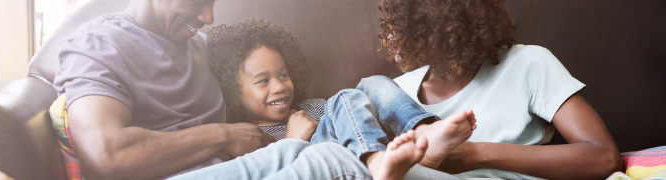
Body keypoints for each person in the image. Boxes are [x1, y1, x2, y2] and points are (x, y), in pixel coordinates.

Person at [170, 19, 475, 180]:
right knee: (346, 96)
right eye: (263, 81)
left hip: (363, 148)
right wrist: (291, 139)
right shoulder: (246, 137)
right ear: (232, 90)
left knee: (368, 85)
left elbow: (354, 114)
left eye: (283, 74)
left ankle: (422, 128)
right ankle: (377, 162)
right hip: (318, 165)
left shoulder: (314, 106)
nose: (279, 87)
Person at [378, 0, 622, 179]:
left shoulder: (528, 63)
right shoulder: (398, 92)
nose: (391, 35)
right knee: (357, 94)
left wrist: (475, 154)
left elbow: (604, 157)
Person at [51, 0, 277, 179]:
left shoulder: (202, 46)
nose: (208, 18)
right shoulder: (98, 45)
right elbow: (107, 156)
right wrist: (223, 136)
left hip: (239, 169)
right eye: (197, 2)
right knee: (312, 158)